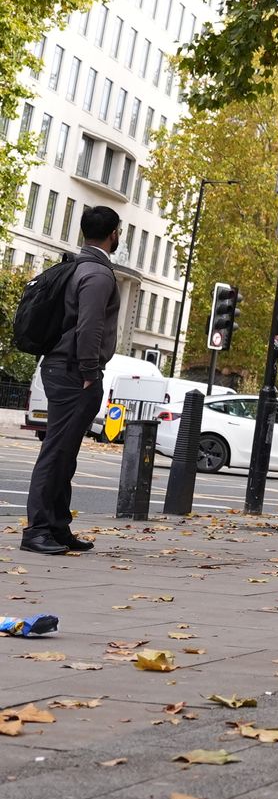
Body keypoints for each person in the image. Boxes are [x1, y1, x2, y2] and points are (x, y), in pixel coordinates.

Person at [21, 205, 122, 556]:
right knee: (57, 453)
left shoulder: (78, 266)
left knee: (65, 453)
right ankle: (37, 530)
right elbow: (90, 327)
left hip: (62, 367)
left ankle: (57, 526)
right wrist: (90, 373)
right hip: (74, 371)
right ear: (114, 234)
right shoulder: (98, 274)